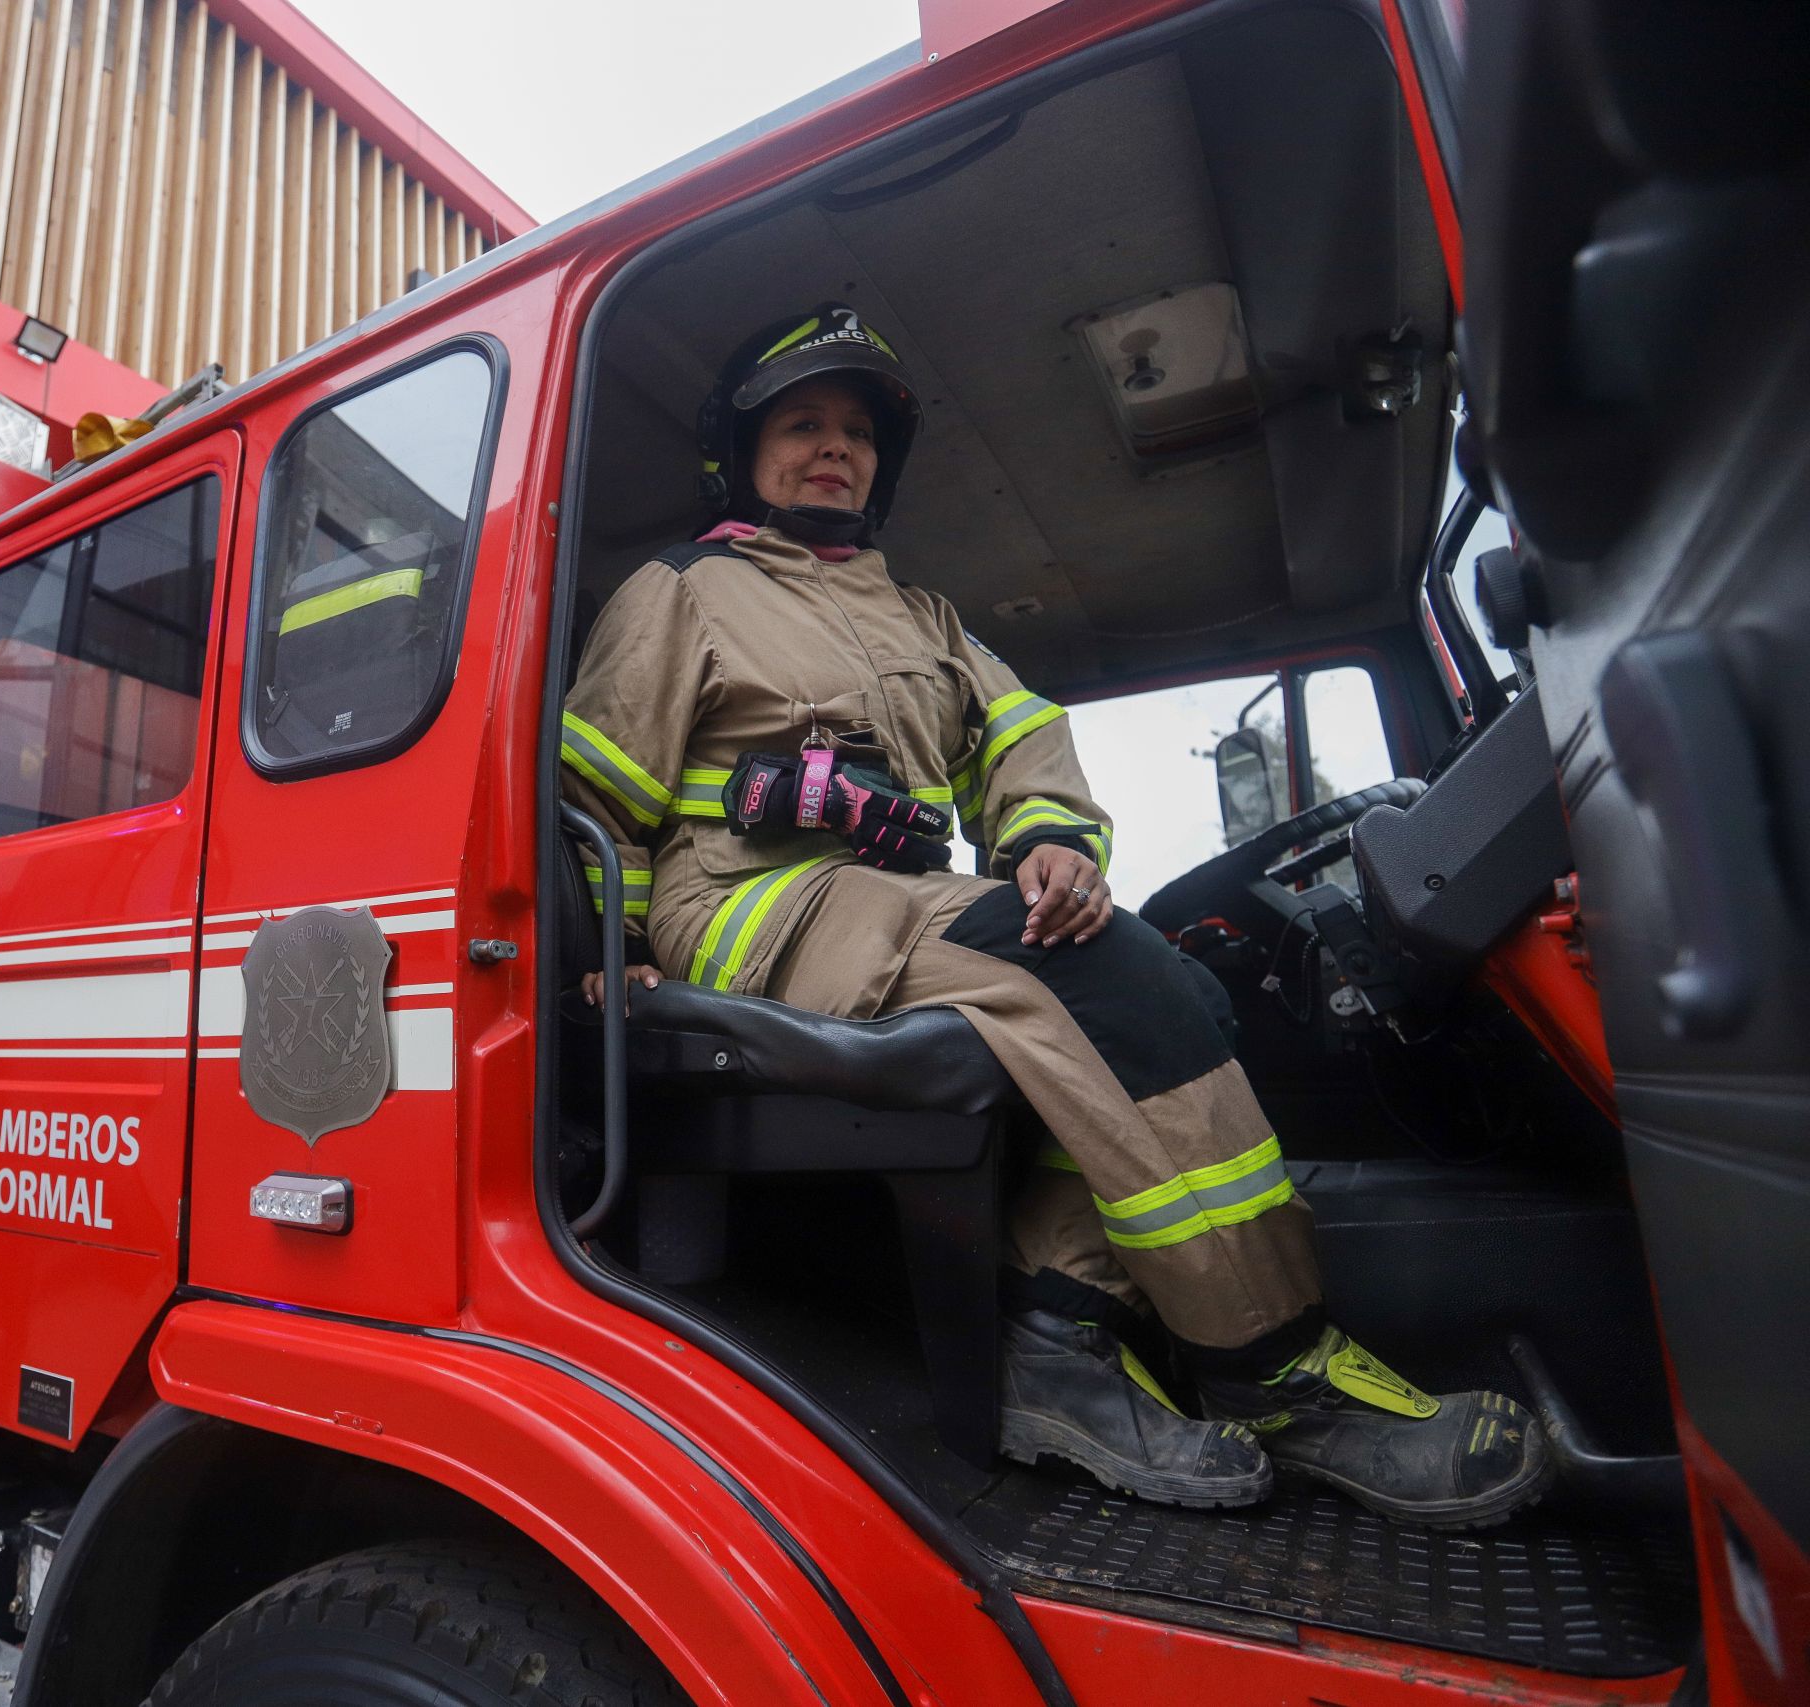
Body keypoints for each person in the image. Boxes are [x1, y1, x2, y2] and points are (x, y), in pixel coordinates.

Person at [561, 303, 1551, 1527]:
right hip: (748, 911)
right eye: (802, 423)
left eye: (857, 431)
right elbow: (587, 800)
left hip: (899, 906)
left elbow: (1023, 744)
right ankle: (1276, 1369)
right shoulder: (683, 592)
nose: (835, 447)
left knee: (1178, 988)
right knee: (1098, 986)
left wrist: (1049, 847)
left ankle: (1059, 1337)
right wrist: (618, 958)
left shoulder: (923, 617)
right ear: (741, 452)